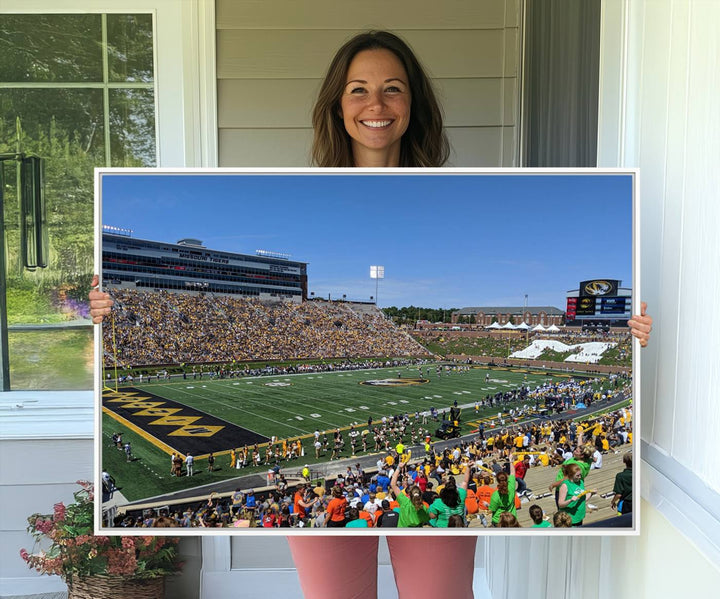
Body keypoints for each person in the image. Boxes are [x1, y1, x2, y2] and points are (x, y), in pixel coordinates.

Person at [89, 29, 653, 599]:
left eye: (393, 89)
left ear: (414, 104)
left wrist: (630, 333)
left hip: (426, 492)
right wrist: (97, 313)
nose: (376, 105)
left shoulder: (463, 187)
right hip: (333, 508)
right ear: (337, 104)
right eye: (358, 89)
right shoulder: (297, 186)